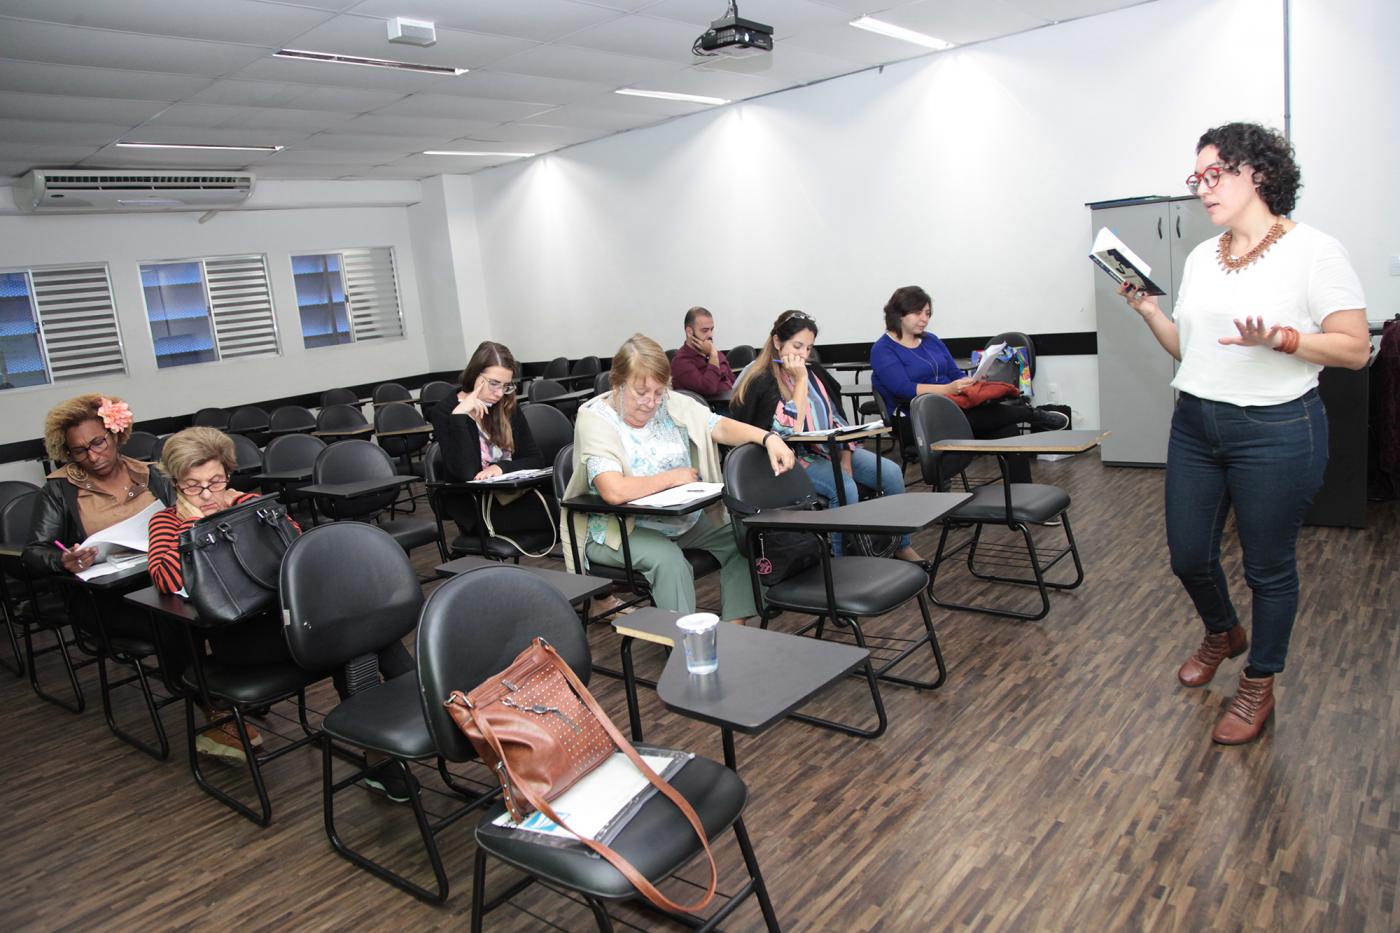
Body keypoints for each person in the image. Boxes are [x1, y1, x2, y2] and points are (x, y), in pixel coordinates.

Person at [1119, 121, 1369, 745]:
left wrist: (1283, 338)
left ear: (1256, 173)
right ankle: (1224, 630)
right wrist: (1151, 311)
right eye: (1195, 178)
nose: (1202, 189)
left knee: (1268, 568)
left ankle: (1259, 680)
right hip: (1197, 424)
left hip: (1277, 429)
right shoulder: (1205, 256)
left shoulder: (1315, 250)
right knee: (1188, 555)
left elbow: (1355, 348)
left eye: (1214, 175)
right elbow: (1189, 350)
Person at [149, 427, 416, 797]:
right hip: (238, 639)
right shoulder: (167, 522)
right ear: (176, 483)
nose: (208, 493)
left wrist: (239, 515)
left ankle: (387, 748)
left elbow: (298, 552)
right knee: (355, 636)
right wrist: (200, 529)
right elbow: (165, 577)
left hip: (290, 620)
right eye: (193, 486)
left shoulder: (252, 505)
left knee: (359, 636)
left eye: (215, 480)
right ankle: (425, 715)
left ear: (228, 472)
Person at [562, 334, 795, 624]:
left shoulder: (669, 404)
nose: (650, 402)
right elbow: (613, 490)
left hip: (677, 522)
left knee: (743, 538)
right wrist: (673, 478)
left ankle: (734, 630)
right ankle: (685, 647)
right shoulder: (596, 419)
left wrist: (767, 438)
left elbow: (719, 426)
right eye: (640, 393)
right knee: (669, 562)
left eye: (658, 392)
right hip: (618, 529)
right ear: (616, 384)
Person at [730, 310, 924, 561]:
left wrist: (845, 457)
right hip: (792, 459)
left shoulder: (816, 374)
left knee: (891, 473)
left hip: (829, 449)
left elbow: (837, 418)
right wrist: (799, 381)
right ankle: (843, 561)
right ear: (778, 342)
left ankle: (900, 544)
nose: (803, 355)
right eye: (797, 346)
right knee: (845, 488)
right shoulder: (763, 379)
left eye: (808, 348)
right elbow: (788, 431)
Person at [22, 395, 185, 692]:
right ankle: (205, 706)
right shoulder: (59, 491)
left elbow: (183, 521)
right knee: (174, 622)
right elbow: (33, 552)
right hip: (105, 598)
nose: (93, 456)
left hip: (163, 580)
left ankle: (222, 688)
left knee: (212, 604)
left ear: (115, 434)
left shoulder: (151, 474)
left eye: (98, 443)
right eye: (80, 451)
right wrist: (62, 561)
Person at [870, 286, 1067, 483]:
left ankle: (1023, 496)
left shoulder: (931, 340)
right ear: (899, 314)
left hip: (954, 407)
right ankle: (1031, 414)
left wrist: (973, 380)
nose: (925, 319)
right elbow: (903, 389)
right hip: (916, 420)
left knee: (1007, 432)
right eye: (918, 313)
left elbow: (953, 373)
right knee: (993, 418)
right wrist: (947, 389)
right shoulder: (882, 349)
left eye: (928, 313)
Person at [427, 340, 553, 547]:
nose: (499, 393)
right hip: (476, 507)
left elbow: (535, 459)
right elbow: (465, 473)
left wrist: (501, 467)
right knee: (566, 513)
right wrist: (460, 416)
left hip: (513, 497)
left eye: (506, 386)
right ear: (475, 374)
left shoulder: (505, 404)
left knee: (568, 508)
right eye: (494, 383)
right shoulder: (445, 411)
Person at [670, 306, 735, 398]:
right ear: (689, 332)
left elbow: (733, 382)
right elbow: (708, 388)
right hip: (711, 409)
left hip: (730, 403)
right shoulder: (681, 361)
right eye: (704, 330)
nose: (710, 335)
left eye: (711, 329)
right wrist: (713, 356)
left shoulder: (716, 354)